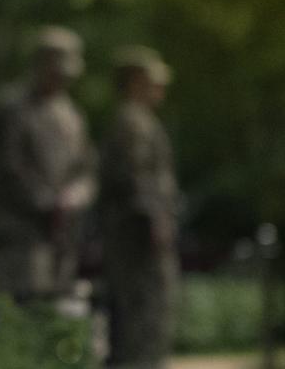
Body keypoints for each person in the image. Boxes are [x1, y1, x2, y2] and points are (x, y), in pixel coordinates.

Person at [0, 26, 97, 303]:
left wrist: (74, 198)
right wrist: (48, 203)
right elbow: (9, 167)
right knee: (23, 308)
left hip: (63, 235)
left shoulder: (71, 115)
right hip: (21, 234)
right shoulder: (11, 109)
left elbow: (86, 170)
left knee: (58, 310)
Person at [100, 46, 179, 369]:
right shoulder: (133, 123)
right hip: (138, 241)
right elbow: (137, 179)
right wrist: (155, 221)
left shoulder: (139, 121)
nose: (160, 89)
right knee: (143, 319)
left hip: (139, 237)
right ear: (134, 81)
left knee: (146, 318)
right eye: (152, 81)